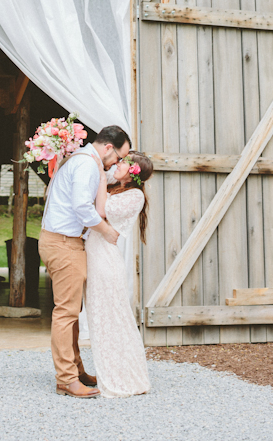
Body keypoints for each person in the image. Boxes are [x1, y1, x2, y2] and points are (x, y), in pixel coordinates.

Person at [38, 125, 131, 398]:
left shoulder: (85, 162)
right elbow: (82, 206)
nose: (118, 163)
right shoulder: (87, 166)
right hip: (63, 244)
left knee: (72, 312)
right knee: (66, 313)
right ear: (108, 148)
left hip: (65, 242)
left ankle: (76, 370)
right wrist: (107, 231)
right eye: (118, 157)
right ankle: (66, 379)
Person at [85, 151, 154, 397]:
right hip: (95, 253)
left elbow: (101, 211)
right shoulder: (116, 186)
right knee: (99, 317)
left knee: (112, 318)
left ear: (134, 171)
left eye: (124, 162)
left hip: (105, 258)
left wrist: (102, 179)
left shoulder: (135, 196)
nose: (118, 164)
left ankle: (124, 378)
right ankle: (111, 371)